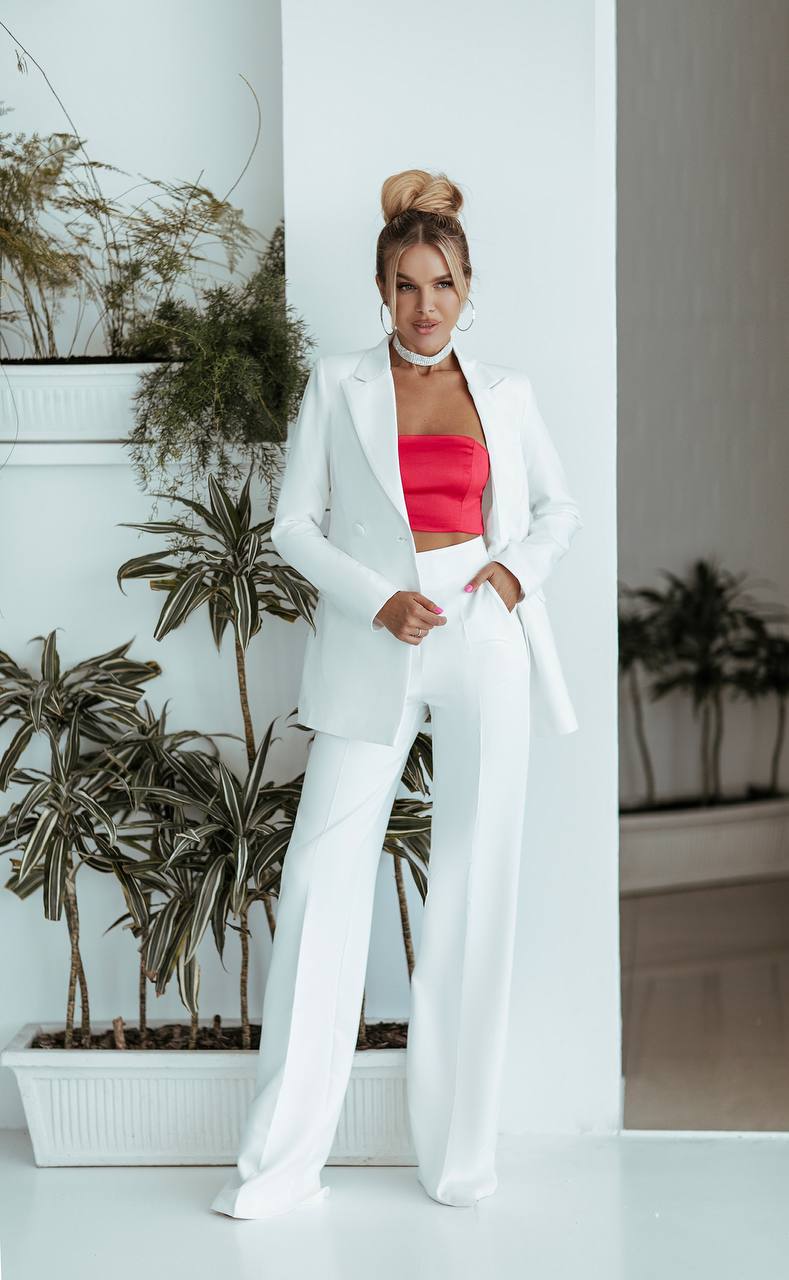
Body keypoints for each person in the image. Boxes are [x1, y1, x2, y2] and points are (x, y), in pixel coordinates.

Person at [211, 168, 583, 1220]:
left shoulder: (505, 393)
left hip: (482, 632)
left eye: (447, 283)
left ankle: (459, 1160)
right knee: (325, 886)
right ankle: (279, 1169)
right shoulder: (337, 385)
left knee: (475, 886)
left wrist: (510, 576)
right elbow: (293, 525)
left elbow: (558, 507)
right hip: (379, 637)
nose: (428, 303)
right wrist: (381, 601)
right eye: (410, 283)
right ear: (381, 287)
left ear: (469, 288)